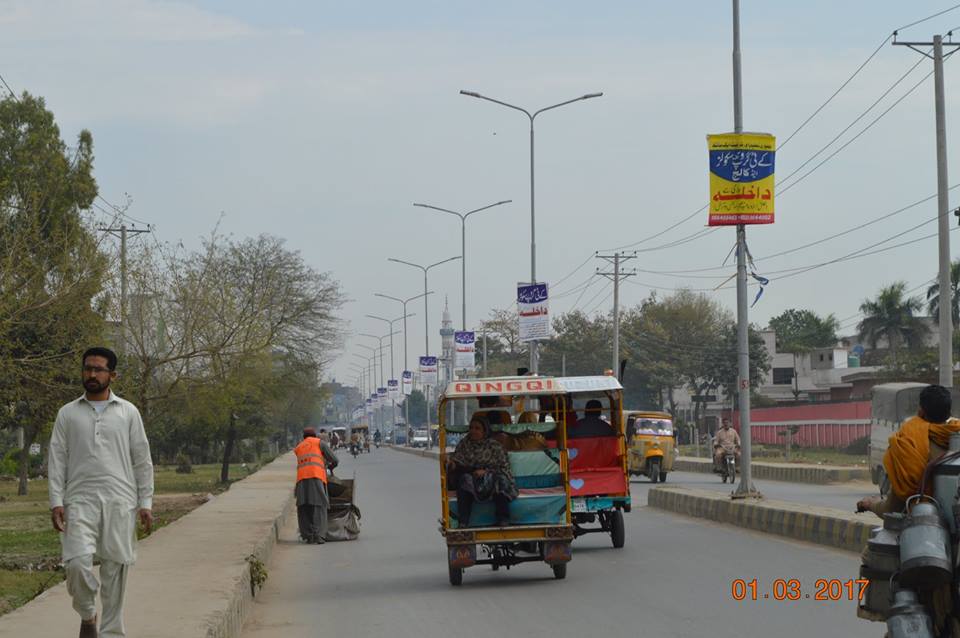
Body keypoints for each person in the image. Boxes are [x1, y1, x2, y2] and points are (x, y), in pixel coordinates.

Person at [48, 347, 154, 638]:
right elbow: (57, 459)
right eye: (87, 369)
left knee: (115, 574)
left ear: (112, 375)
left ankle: (111, 634)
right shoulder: (67, 413)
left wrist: (145, 502)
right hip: (78, 502)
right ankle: (87, 613)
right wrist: (56, 501)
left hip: (121, 502)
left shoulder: (128, 412)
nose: (91, 374)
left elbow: (142, 459)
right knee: (77, 564)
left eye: (98, 369)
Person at [858, 384, 960, 516]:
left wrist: (870, 504)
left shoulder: (908, 440)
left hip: (925, 523)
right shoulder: (955, 432)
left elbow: (892, 508)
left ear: (921, 411)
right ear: (949, 412)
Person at [446, 416, 518, 527]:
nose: (473, 431)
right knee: (464, 480)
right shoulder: (464, 444)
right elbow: (458, 462)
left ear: (485, 431)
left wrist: (486, 472)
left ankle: (503, 519)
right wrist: (451, 464)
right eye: (471, 428)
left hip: (492, 477)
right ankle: (463, 521)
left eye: (477, 428)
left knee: (500, 480)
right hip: (472, 479)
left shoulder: (494, 446)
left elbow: (503, 466)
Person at [294, 427, 339, 544]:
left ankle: (308, 536)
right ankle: (319, 535)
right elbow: (335, 459)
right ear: (315, 436)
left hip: (301, 479)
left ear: (304, 437)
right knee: (319, 505)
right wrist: (330, 467)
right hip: (316, 476)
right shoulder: (319, 443)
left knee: (303, 507)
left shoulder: (298, 447)